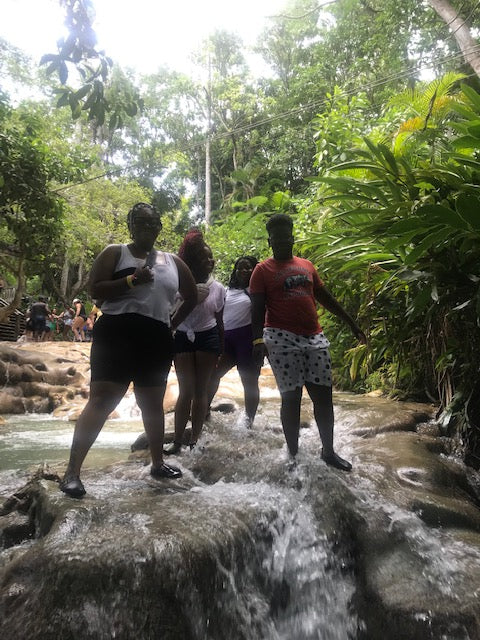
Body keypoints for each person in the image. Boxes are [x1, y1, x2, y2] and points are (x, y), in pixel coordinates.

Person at [60, 203, 197, 498]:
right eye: (142, 222)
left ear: (160, 227)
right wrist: (131, 280)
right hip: (117, 331)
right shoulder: (115, 252)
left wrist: (172, 324)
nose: (149, 227)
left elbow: (192, 295)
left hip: (156, 335)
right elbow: (95, 289)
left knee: (152, 402)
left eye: (154, 222)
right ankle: (72, 473)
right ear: (131, 225)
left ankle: (157, 463)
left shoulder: (172, 261)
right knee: (102, 401)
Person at [250, 213, 367, 471]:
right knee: (291, 398)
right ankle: (292, 454)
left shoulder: (307, 265)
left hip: (314, 337)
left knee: (323, 396)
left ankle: (329, 451)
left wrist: (351, 322)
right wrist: (258, 340)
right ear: (270, 241)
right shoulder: (262, 270)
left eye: (286, 237)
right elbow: (256, 309)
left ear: (292, 238)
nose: (282, 242)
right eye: (276, 238)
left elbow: (326, 298)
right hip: (280, 338)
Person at [164, 230, 225, 455]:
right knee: (185, 391)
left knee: (201, 391)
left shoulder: (218, 289)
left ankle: (194, 440)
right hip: (182, 336)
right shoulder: (178, 285)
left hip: (207, 337)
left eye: (210, 257)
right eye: (203, 257)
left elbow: (220, 321)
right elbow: (169, 311)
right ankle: (178, 440)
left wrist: (222, 347)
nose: (209, 261)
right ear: (192, 261)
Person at [207, 256, 261, 428]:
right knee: (213, 375)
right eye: (240, 268)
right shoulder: (226, 290)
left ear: (255, 270)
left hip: (247, 339)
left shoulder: (256, 291)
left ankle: (248, 421)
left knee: (249, 381)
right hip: (226, 340)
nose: (243, 271)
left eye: (248, 268)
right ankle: (204, 410)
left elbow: (262, 315)